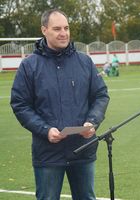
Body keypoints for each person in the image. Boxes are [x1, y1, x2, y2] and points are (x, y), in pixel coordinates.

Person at [10, 9, 110, 200]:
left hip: (82, 149)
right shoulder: (29, 66)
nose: (63, 33)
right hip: (48, 152)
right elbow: (20, 104)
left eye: (66, 28)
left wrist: (93, 121)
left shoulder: (84, 61)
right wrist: (45, 130)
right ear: (44, 30)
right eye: (57, 29)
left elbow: (100, 95)